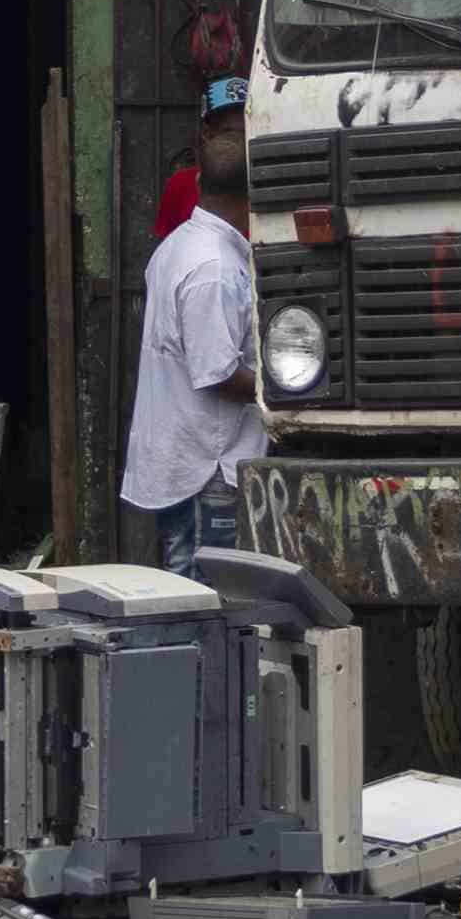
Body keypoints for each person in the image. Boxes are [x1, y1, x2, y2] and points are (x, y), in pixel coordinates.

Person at [123, 87, 267, 566]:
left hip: (188, 460)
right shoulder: (215, 270)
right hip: (209, 470)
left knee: (187, 600)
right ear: (252, 193)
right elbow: (218, 373)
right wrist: (283, 390)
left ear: (201, 181)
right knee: (205, 607)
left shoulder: (180, 245)